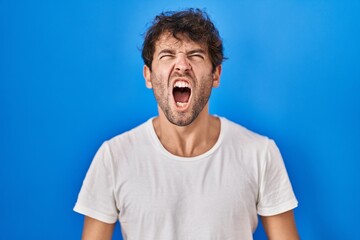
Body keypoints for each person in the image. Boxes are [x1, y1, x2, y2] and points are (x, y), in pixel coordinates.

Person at [74, 8, 299, 240]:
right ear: (148, 76)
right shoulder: (113, 157)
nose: (181, 65)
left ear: (216, 75)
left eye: (195, 55)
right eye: (167, 55)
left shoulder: (260, 153)